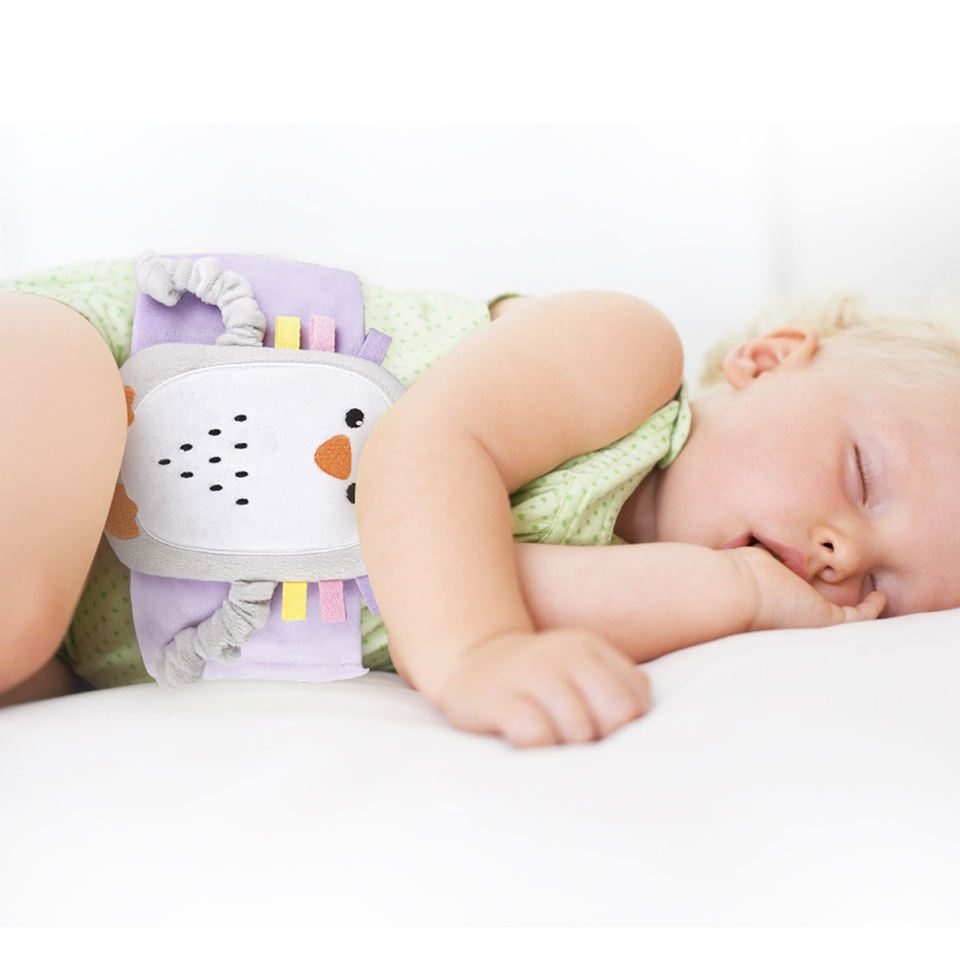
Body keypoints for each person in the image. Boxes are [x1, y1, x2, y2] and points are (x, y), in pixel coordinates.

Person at [3, 258, 960, 749]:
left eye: (885, 583)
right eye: (861, 476)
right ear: (769, 359)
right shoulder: (625, 357)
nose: (840, 550)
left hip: (87, 614)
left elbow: (461, 578)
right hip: (95, 378)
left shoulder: (655, 609)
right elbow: (421, 455)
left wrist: (741, 594)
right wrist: (479, 654)